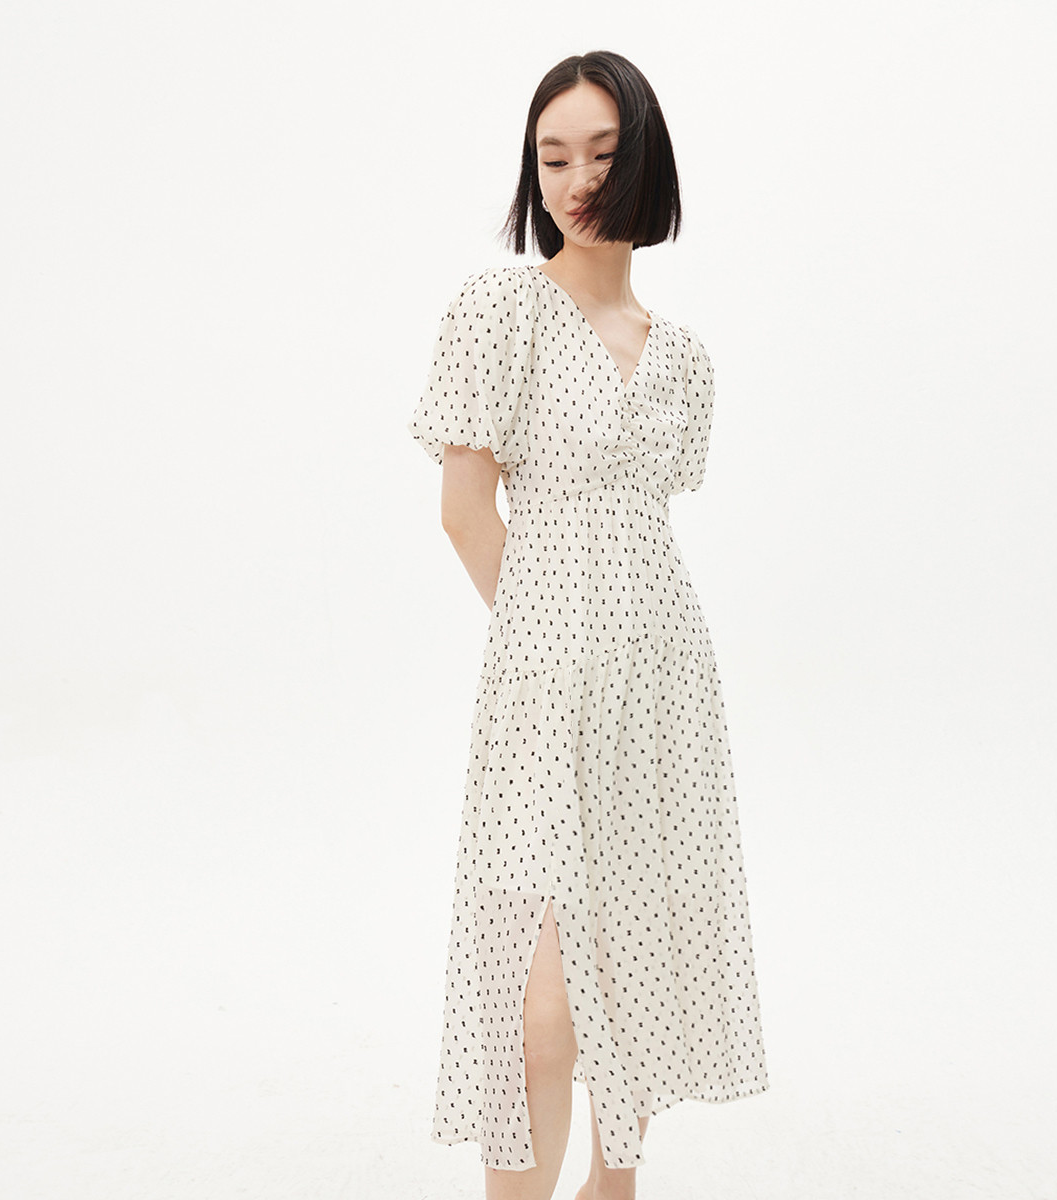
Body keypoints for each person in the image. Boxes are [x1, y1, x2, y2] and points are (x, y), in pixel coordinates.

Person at [407, 49, 769, 1200]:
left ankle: (616, 1188)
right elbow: (466, 514)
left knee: (636, 964)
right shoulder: (501, 310)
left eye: (603, 155)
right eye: (553, 157)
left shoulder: (683, 359)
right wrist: (548, 647)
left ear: (645, 161)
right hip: (543, 682)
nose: (576, 181)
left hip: (663, 679)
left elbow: (645, 530)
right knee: (539, 1015)